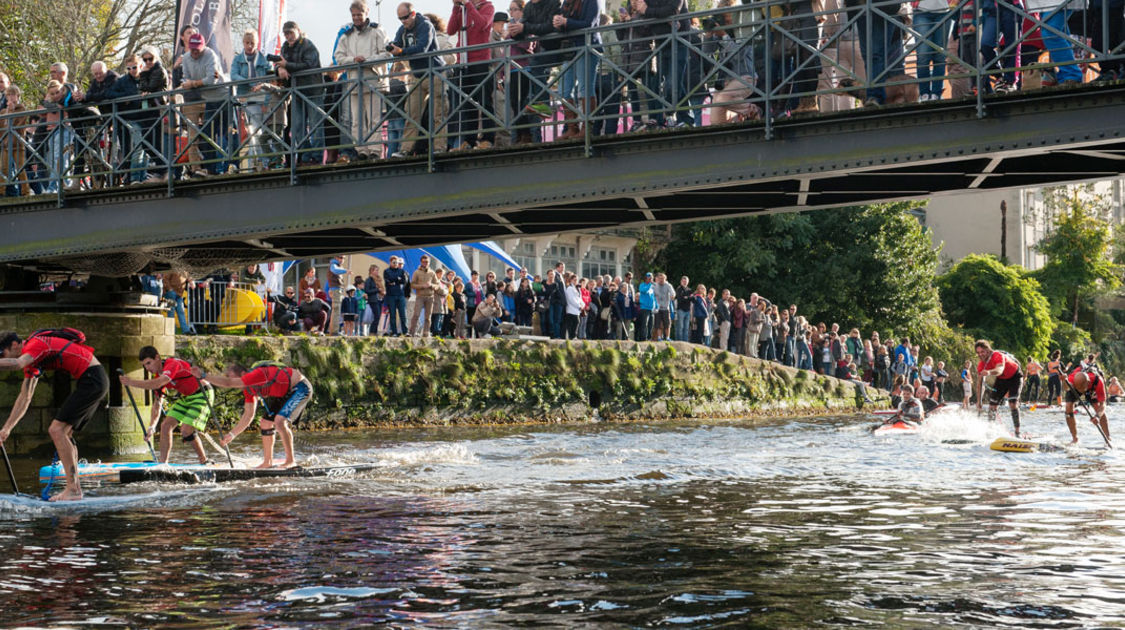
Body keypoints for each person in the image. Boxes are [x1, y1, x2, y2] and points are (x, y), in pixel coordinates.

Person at [0, 329, 109, 501]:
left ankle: (73, 489)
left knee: (56, 430)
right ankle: (75, 489)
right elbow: (25, 397)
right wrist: (6, 429)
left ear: (14, 345)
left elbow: (17, 363)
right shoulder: (32, 363)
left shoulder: (35, 344)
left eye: (1, 354)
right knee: (65, 433)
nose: (2, 359)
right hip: (92, 380)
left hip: (93, 379)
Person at [199, 361, 312, 468]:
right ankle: (267, 462)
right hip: (285, 392)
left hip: (301, 387)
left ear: (243, 374)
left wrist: (202, 375)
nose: (235, 383)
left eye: (233, 378)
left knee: (279, 421)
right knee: (265, 423)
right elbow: (248, 415)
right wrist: (232, 435)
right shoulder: (248, 390)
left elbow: (228, 383)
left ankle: (290, 461)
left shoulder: (257, 374)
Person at [118, 346, 214, 464]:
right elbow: (157, 403)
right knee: (165, 426)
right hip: (186, 397)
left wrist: (131, 382)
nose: (147, 368)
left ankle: (204, 461)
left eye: (149, 363)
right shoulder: (158, 376)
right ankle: (163, 464)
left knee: (185, 430)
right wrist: (152, 427)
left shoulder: (171, 364)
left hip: (202, 393)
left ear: (157, 358)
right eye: (144, 365)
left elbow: (158, 383)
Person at [335, 0, 392, 160]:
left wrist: (366, 60)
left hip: (374, 80)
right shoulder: (347, 35)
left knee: (374, 119)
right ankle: (361, 150)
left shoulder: (377, 30)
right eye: (353, 15)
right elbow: (338, 57)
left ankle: (375, 150)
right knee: (356, 121)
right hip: (354, 82)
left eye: (359, 15)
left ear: (366, 13)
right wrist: (353, 60)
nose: (356, 18)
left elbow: (387, 53)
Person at [390, 3, 448, 157]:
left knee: (439, 112)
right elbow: (397, 43)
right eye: (400, 18)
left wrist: (401, 51)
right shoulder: (402, 29)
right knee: (412, 113)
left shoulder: (426, 26)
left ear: (413, 13)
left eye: (405, 17)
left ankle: (439, 147)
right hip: (417, 74)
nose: (403, 21)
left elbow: (423, 48)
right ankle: (406, 149)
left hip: (435, 72)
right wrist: (392, 48)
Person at [279, 21, 326, 165]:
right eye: (286, 33)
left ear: (298, 31)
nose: (289, 36)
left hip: (314, 89)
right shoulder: (285, 47)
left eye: (291, 32)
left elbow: (308, 65)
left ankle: (316, 157)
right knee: (297, 126)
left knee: (315, 125)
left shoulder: (307, 44)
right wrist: (279, 69)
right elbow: (281, 64)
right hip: (297, 91)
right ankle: (305, 156)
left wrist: (287, 66)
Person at [975, 339, 1024, 437]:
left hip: (1015, 377)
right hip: (1002, 380)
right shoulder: (981, 365)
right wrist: (979, 402)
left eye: (982, 352)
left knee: (1013, 404)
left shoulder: (997, 355)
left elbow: (999, 370)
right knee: (992, 407)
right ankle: (990, 432)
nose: (981, 355)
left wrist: (989, 372)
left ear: (988, 350)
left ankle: (1017, 433)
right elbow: (980, 384)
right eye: (978, 353)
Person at [1064, 367, 1112, 446]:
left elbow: (1103, 404)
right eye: (1079, 389)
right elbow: (1065, 388)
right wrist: (1063, 380)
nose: (1081, 392)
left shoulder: (1098, 381)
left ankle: (1108, 437)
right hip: (1075, 385)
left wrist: (1097, 416)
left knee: (1097, 407)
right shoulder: (1072, 378)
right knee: (1068, 407)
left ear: (1088, 383)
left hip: (1092, 388)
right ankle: (1075, 439)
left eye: (1082, 389)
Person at [408, 254, 439, 337]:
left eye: (427, 262)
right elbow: (412, 285)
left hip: (430, 297)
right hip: (420, 296)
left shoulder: (432, 273)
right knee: (416, 314)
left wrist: (431, 285)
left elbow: (437, 285)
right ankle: (411, 332)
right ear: (421, 262)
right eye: (424, 262)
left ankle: (426, 333)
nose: (425, 263)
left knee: (428, 317)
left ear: (429, 262)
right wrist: (422, 286)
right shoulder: (416, 272)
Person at [383, 256, 409, 335]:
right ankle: (394, 332)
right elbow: (388, 281)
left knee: (403, 314)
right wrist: (397, 279)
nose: (396, 264)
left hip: (400, 294)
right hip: (391, 295)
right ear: (390, 262)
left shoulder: (402, 271)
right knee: (393, 315)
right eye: (394, 262)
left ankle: (405, 332)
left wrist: (394, 281)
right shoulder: (386, 271)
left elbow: (404, 281)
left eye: (397, 263)